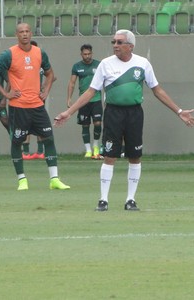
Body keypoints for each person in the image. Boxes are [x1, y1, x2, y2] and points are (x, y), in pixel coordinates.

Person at [54, 29, 194, 211]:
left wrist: (179, 111)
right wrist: (69, 112)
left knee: (135, 157)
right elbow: (90, 92)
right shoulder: (105, 64)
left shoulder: (143, 64)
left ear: (130, 46)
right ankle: (103, 200)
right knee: (109, 156)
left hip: (135, 114)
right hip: (113, 113)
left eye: (119, 42)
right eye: (114, 42)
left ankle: (130, 200)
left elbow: (157, 90)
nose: (115, 46)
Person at [0, 23, 70, 191]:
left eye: (27, 31)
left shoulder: (39, 53)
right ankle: (22, 180)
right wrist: (6, 93)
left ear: (31, 34)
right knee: (17, 142)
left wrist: (46, 90)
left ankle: (54, 179)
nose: (24, 34)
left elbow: (50, 73)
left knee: (49, 139)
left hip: (38, 106)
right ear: (16, 35)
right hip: (19, 107)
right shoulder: (9, 54)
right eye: (21, 32)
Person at [67, 44, 103, 159]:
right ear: (81, 54)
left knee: (98, 123)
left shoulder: (98, 65)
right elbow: (72, 83)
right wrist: (69, 98)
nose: (87, 56)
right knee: (85, 125)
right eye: (85, 54)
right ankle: (88, 150)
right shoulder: (77, 66)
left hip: (96, 99)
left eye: (89, 54)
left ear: (92, 53)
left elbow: (106, 81)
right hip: (83, 101)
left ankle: (96, 145)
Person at [21, 40, 46, 160]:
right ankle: (26, 152)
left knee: (39, 125)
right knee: (25, 125)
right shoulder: (24, 64)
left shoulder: (40, 64)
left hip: (37, 98)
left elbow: (52, 76)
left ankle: (39, 151)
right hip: (25, 98)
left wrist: (44, 90)